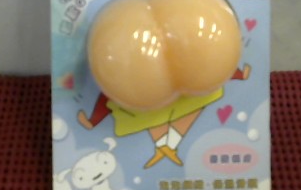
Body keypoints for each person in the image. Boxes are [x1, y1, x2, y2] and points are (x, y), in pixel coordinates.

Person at [77, 64, 251, 168]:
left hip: (187, 86)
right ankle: (165, 148)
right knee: (148, 112)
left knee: (189, 105)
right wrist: (93, 121)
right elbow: (106, 93)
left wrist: (237, 74)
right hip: (136, 95)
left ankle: (166, 148)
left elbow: (214, 62)